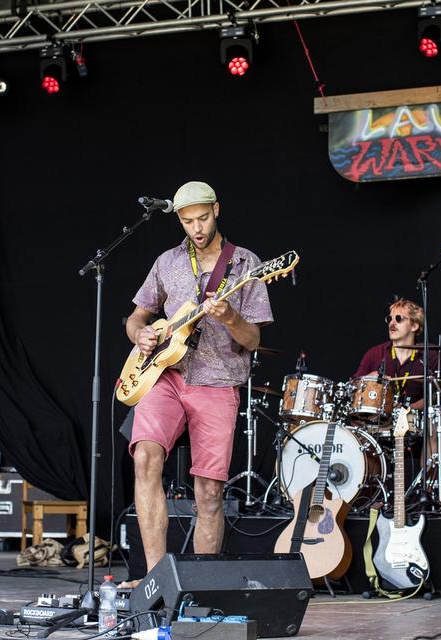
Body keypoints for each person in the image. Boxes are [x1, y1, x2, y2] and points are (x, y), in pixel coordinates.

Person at [120, 181, 273, 587]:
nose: (196, 228)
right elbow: (136, 317)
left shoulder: (246, 265)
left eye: (202, 218)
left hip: (219, 382)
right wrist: (141, 335)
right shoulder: (167, 262)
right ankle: (154, 577)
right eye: (187, 221)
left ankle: (201, 584)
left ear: (217, 210)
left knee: (208, 491)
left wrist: (229, 318)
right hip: (165, 375)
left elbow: (254, 340)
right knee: (145, 457)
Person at [353, 298, 439, 410]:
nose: (392, 323)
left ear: (414, 326)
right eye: (389, 319)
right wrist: (368, 378)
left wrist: (406, 411)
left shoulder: (430, 356)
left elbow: (432, 397)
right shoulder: (374, 353)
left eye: (398, 319)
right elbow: (353, 386)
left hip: (411, 422)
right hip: (377, 421)